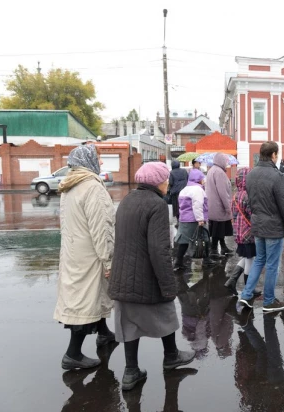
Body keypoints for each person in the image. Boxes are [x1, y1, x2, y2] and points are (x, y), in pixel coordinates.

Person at [109, 162, 195, 391]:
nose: (169, 183)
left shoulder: (127, 199)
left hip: (122, 275)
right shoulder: (157, 205)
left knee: (129, 324)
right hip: (146, 275)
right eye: (166, 180)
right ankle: (171, 356)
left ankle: (130, 372)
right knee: (166, 313)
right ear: (158, 182)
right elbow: (159, 249)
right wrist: (168, 285)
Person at [54, 144, 116, 370]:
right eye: (97, 158)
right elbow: (102, 229)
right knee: (85, 301)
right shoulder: (92, 187)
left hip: (74, 253)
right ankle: (72, 354)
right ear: (87, 161)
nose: (100, 163)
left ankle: (103, 332)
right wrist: (108, 260)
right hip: (90, 255)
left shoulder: (71, 185)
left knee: (92, 296)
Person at [238, 142, 284, 312]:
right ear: (273, 155)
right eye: (277, 154)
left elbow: (251, 201)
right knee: (272, 264)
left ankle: (246, 295)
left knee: (259, 260)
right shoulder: (277, 176)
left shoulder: (251, 174)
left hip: (258, 224)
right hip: (273, 226)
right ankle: (269, 300)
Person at [224, 167, 262, 297]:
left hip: (239, 233)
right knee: (250, 259)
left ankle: (232, 280)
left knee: (246, 257)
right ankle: (248, 287)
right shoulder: (248, 195)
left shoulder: (236, 195)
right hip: (249, 234)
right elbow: (253, 214)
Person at [175, 168, 217, 269]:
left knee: (184, 241)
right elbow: (197, 205)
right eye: (202, 178)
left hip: (184, 219)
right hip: (195, 220)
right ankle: (206, 260)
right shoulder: (198, 190)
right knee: (205, 239)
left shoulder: (184, 189)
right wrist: (200, 219)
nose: (203, 180)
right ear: (198, 179)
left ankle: (178, 262)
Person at [205, 153, 234, 256]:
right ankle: (213, 250)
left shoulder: (211, 170)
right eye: (225, 161)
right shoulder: (219, 172)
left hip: (212, 205)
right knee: (218, 229)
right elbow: (223, 192)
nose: (226, 164)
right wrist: (228, 208)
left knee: (218, 228)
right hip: (219, 206)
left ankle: (223, 247)